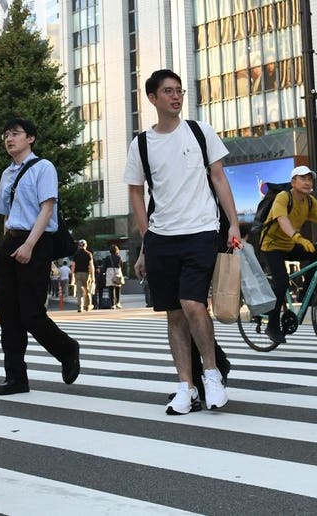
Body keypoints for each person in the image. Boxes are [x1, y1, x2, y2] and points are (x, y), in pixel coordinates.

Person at [126, 69, 241, 416]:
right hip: (162, 237)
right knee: (174, 314)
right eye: (168, 91)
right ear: (152, 98)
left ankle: (211, 374)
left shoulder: (199, 131)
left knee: (193, 304)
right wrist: (146, 240)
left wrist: (233, 221)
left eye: (179, 91)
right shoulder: (142, 143)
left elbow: (219, 177)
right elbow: (135, 192)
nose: (176, 97)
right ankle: (185, 386)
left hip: (202, 230)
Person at [0, 118, 80, 395]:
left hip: (37, 241)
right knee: (8, 315)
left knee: (30, 313)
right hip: (11, 241)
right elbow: (6, 214)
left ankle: (67, 349)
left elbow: (47, 209)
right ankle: (16, 377)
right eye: (6, 134)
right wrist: (6, 244)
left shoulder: (44, 167)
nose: (9, 138)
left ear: (30, 138)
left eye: (15, 134)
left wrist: (30, 245)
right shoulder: (7, 174)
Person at [255, 166, 317, 343]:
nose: (308, 182)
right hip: (272, 246)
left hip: (290, 244)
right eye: (303, 178)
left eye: (310, 179)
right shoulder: (284, 197)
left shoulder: (309, 201)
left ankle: (304, 294)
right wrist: (298, 237)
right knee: (282, 282)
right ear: (293, 182)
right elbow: (282, 219)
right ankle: (271, 325)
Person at [72, 239, 95, 311]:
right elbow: (91, 266)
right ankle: (88, 306)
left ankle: (80, 307)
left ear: (79, 246)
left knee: (79, 291)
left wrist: (72, 275)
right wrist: (92, 276)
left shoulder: (76, 254)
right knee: (87, 290)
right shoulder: (88, 254)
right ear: (86, 245)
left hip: (77, 274)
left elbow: (73, 266)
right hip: (86, 274)